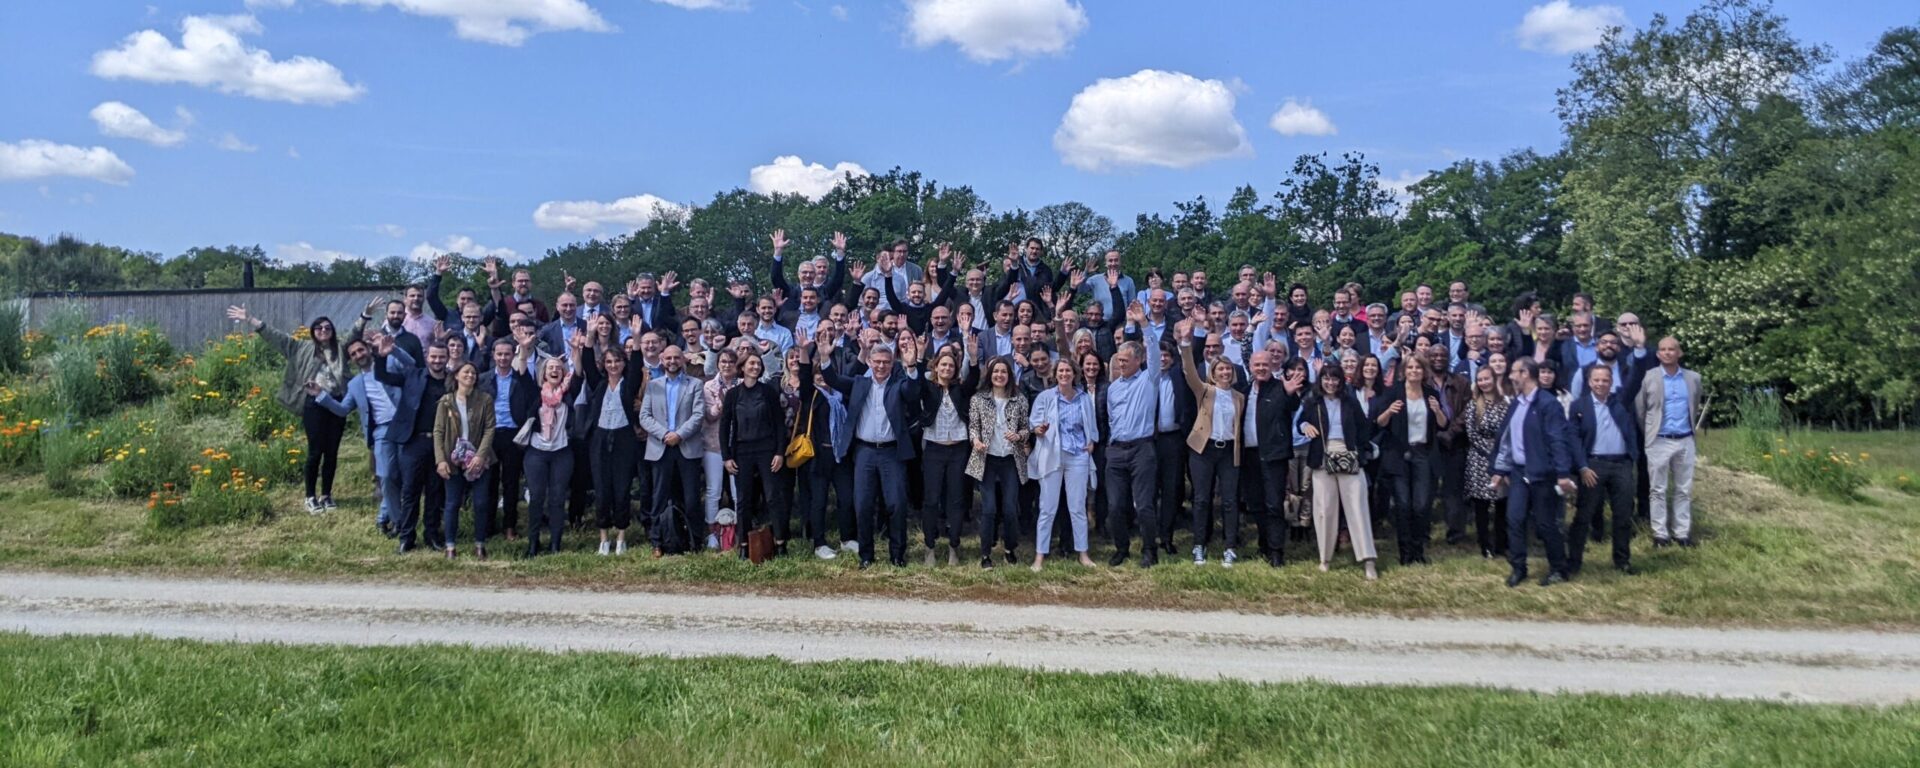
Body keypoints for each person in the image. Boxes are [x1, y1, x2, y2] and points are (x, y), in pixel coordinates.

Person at [226, 305, 348, 513]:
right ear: (313, 332)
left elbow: (355, 333)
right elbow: (275, 336)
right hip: (314, 405)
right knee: (315, 451)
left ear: (333, 331)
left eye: (327, 328)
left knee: (332, 452)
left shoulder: (340, 349)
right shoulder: (300, 347)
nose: (323, 331)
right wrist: (250, 319)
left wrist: (366, 316)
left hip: (336, 403)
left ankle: (326, 495)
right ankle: (310, 496)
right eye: (318, 328)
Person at [310, 332, 421, 551]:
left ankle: (384, 517)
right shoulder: (355, 384)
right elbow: (342, 410)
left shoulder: (389, 363)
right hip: (381, 432)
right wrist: (321, 396)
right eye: (353, 354)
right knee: (387, 477)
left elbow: (412, 365)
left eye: (361, 350)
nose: (358, 355)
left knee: (406, 478)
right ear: (351, 359)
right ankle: (400, 524)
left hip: (406, 426)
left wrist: (393, 349)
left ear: (369, 350)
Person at [819, 337, 923, 568]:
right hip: (864, 452)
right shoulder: (859, 383)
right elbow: (832, 379)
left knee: (896, 504)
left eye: (886, 362)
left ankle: (897, 555)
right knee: (863, 505)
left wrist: (912, 365)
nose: (881, 366)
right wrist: (825, 357)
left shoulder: (899, 384)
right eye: (877, 361)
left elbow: (914, 391)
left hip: (891, 453)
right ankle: (866, 556)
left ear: (892, 362)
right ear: (869, 361)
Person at [1491, 358, 1578, 588]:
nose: (1510, 376)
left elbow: (1557, 439)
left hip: (1543, 473)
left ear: (1526, 374)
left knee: (1546, 524)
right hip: (1519, 473)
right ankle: (1519, 567)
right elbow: (1507, 440)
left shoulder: (1548, 404)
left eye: (1514, 372)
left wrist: (1562, 473)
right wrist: (1500, 469)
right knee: (1515, 518)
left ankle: (1559, 567)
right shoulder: (1517, 403)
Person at [1299, 366, 1378, 580]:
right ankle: (1325, 558)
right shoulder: (1312, 402)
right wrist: (1305, 425)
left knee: (1358, 509)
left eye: (1335, 379)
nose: (1330, 383)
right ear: (1321, 380)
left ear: (1341, 381)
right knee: (1324, 509)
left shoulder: (1350, 402)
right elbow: (1300, 421)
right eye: (1326, 379)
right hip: (1322, 456)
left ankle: (1368, 560)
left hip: (1348, 453)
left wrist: (1360, 452)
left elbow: (1364, 428)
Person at [1177, 321, 1246, 567]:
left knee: (1229, 500)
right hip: (1203, 450)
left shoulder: (1239, 397)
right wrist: (1185, 343)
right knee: (1201, 499)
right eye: (1220, 370)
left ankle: (1229, 547)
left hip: (1228, 452)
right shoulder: (1204, 390)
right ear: (1213, 373)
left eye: (1228, 370)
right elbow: (1188, 371)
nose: (1225, 373)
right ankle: (1199, 545)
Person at [1104, 302, 1167, 567]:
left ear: (1138, 361)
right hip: (1117, 450)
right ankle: (1121, 548)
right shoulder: (1113, 388)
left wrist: (1143, 323)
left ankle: (1150, 550)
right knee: (1116, 506)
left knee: (1144, 505)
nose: (1121, 364)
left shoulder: (1149, 379)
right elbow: (1111, 418)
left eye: (1125, 361)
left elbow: (1153, 349)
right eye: (1119, 361)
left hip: (1142, 449)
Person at [1374, 356, 1448, 566]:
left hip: (1423, 454)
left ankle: (1419, 549)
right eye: (1410, 367)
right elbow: (1379, 422)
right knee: (1403, 505)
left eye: (1418, 368)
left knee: (1422, 505)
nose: (1414, 371)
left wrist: (1437, 411)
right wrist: (1389, 411)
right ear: (1404, 371)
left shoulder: (1431, 394)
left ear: (1424, 372)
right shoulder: (1393, 393)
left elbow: (1443, 424)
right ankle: (1405, 552)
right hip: (1399, 455)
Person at [1569, 363, 1641, 576]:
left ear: (1611, 382)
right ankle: (1573, 562)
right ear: (1590, 382)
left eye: (1605, 380)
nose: (1601, 384)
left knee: (1623, 515)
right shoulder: (1578, 406)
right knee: (1584, 515)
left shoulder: (1621, 401)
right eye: (1596, 380)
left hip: (1621, 465)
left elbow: (1635, 379)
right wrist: (1582, 466)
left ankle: (1622, 561)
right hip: (1593, 465)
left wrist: (1638, 352)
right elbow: (1573, 439)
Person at [1029, 358, 1099, 571]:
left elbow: (1091, 424)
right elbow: (1034, 423)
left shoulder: (1083, 398)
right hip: (1052, 454)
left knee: (1077, 507)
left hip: (1077, 455)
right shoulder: (1045, 397)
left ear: (1074, 373)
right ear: (1055, 374)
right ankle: (1040, 555)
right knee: (1047, 508)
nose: (1064, 374)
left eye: (1068, 370)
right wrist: (1039, 429)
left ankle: (1083, 553)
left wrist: (1091, 442)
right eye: (1060, 370)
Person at [721, 351, 790, 557]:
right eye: (751, 363)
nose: (755, 367)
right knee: (742, 500)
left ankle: (780, 543)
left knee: (772, 497)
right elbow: (725, 427)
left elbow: (779, 424)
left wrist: (779, 452)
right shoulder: (733, 395)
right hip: (742, 451)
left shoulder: (768, 392)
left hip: (767, 450)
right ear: (742, 367)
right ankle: (743, 545)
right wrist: (726, 456)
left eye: (758, 364)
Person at [1635, 336, 1702, 548]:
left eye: (1671, 349)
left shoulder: (1693, 378)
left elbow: (1695, 403)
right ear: (1657, 354)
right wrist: (1649, 434)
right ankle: (1660, 534)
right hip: (1659, 440)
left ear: (1679, 353)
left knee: (1683, 489)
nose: (1667, 353)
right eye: (1663, 349)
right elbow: (1640, 409)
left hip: (1684, 439)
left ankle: (1682, 533)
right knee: (1657, 489)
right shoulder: (1648, 377)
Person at [640, 344, 707, 556]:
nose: (672, 362)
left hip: (687, 446)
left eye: (676, 358)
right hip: (660, 447)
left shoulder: (695, 384)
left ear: (683, 360)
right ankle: (657, 542)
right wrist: (664, 434)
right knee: (658, 497)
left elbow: (698, 415)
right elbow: (644, 416)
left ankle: (695, 541)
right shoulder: (653, 385)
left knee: (691, 498)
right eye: (668, 358)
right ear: (662, 360)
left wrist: (679, 434)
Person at [580, 343, 646, 556]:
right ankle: (603, 539)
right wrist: (588, 340)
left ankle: (621, 537)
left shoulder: (629, 384)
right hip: (600, 439)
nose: (613, 365)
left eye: (617, 361)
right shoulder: (598, 383)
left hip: (623, 439)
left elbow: (636, 367)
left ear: (623, 362)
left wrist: (636, 340)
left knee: (622, 489)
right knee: (602, 490)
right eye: (609, 361)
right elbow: (588, 365)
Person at [520, 342, 584, 557]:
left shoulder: (568, 393)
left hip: (561, 452)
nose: (555, 370)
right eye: (551, 368)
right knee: (537, 497)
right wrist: (524, 349)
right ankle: (533, 544)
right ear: (543, 374)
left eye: (558, 367)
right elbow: (521, 375)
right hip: (537, 452)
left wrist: (576, 351)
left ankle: (556, 544)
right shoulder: (535, 393)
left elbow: (579, 374)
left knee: (557, 499)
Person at [966, 356, 1030, 568]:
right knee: (989, 508)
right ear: (990, 375)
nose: (1000, 375)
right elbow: (973, 426)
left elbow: (1026, 429)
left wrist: (1019, 436)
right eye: (996, 372)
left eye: (1003, 372)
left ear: (1009, 375)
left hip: (1010, 460)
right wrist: (975, 441)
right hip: (987, 459)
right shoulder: (978, 399)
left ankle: (1010, 548)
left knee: (1010, 508)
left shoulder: (1019, 399)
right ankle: (985, 555)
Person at [918, 345, 976, 566]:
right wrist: (919, 357)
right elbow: (916, 385)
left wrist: (972, 358)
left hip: (958, 449)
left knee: (956, 499)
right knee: (931, 499)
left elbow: (975, 378)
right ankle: (929, 547)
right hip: (934, 448)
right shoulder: (929, 388)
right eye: (943, 364)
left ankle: (954, 546)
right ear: (936, 367)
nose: (947, 368)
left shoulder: (960, 389)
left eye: (951, 365)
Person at [433, 361, 495, 560]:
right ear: (456, 376)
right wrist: (440, 460)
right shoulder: (445, 401)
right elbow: (438, 432)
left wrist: (480, 455)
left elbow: (490, 429)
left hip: (479, 459)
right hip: (453, 460)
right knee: (452, 503)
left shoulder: (485, 399)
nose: (470, 375)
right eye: (466, 372)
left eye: (474, 373)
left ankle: (480, 544)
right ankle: (450, 546)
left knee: (481, 502)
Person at [484, 338, 534, 543]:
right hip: (490, 434)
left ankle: (510, 526)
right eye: (499, 354)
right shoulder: (484, 379)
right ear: (493, 355)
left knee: (511, 483)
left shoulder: (521, 378)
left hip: (513, 435)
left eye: (507, 354)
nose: (503, 358)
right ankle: (487, 526)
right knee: (489, 482)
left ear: (513, 355)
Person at [1462, 365, 1513, 559]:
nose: (1484, 382)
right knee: (1482, 506)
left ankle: (1502, 544)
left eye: (1487, 378)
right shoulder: (1473, 404)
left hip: (1503, 459)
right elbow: (1471, 434)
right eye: (1480, 379)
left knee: (1502, 504)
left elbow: (1509, 432)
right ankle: (1485, 546)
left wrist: (1501, 455)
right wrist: (1490, 453)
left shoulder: (1505, 403)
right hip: (1479, 459)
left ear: (1494, 379)